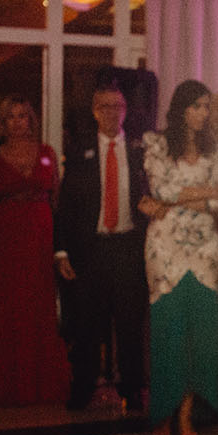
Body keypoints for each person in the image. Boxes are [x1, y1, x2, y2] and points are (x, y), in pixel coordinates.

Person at [54, 81, 152, 414]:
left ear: (125, 111)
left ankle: (132, 389)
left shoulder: (139, 151)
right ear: (95, 111)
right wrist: (61, 251)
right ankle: (83, 387)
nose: (112, 113)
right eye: (105, 107)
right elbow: (66, 205)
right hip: (90, 249)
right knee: (87, 324)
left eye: (118, 107)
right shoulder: (80, 150)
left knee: (130, 324)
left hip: (128, 247)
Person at [0, 96, 69, 405]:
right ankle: (5, 384)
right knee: (6, 309)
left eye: (22, 115)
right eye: (11, 116)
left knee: (38, 306)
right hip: (4, 239)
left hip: (40, 238)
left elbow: (58, 200)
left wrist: (62, 246)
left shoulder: (47, 153)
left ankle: (39, 382)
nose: (17, 122)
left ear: (31, 119)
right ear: (3, 123)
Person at [143, 80, 218, 435]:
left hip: (204, 250)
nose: (202, 113)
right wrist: (203, 193)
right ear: (181, 109)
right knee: (168, 332)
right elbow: (160, 190)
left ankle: (187, 416)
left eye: (206, 106)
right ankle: (163, 413)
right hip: (165, 248)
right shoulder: (157, 144)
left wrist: (179, 199)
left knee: (198, 334)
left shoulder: (216, 150)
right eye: (196, 106)